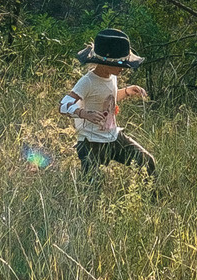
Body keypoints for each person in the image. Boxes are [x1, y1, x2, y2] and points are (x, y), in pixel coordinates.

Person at [63, 27, 155, 178]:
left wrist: (127, 91)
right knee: (92, 184)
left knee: (147, 162)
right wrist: (84, 113)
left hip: (113, 137)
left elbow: (106, 99)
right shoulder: (87, 81)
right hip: (90, 142)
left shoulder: (112, 77)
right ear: (105, 63)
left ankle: (151, 198)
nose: (124, 68)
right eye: (121, 64)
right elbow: (63, 105)